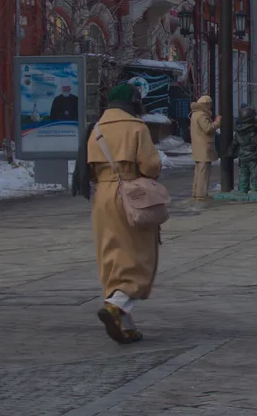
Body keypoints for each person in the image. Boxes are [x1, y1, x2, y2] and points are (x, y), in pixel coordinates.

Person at [86, 82, 162, 344]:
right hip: (130, 195)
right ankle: (116, 305)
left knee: (111, 255)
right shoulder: (137, 127)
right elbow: (150, 166)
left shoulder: (96, 129)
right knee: (138, 256)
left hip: (102, 197)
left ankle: (125, 325)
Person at [189, 95, 219, 201]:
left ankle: (197, 192)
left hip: (198, 147)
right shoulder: (202, 115)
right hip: (204, 147)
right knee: (203, 172)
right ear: (206, 105)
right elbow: (208, 128)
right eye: (210, 104)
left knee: (199, 171)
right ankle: (201, 194)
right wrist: (217, 122)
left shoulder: (195, 114)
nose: (211, 106)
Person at [232, 106, 257, 194]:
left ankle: (242, 189)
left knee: (243, 174)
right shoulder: (254, 131)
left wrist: (230, 152)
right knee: (255, 173)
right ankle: (255, 188)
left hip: (242, 156)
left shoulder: (238, 132)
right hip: (253, 156)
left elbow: (234, 144)